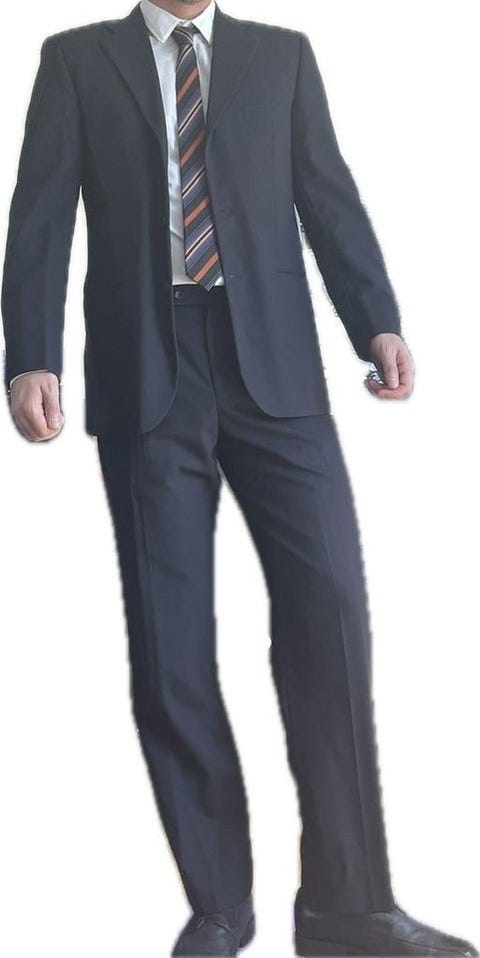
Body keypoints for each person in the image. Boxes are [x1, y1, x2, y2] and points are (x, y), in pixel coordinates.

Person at [2, 1, 477, 956]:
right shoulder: (76, 61)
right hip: (147, 368)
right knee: (171, 645)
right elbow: (40, 215)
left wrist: (376, 320)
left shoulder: (282, 57)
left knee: (330, 613)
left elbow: (326, 195)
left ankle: (348, 908)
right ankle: (220, 904)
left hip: (276, 365)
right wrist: (31, 355)